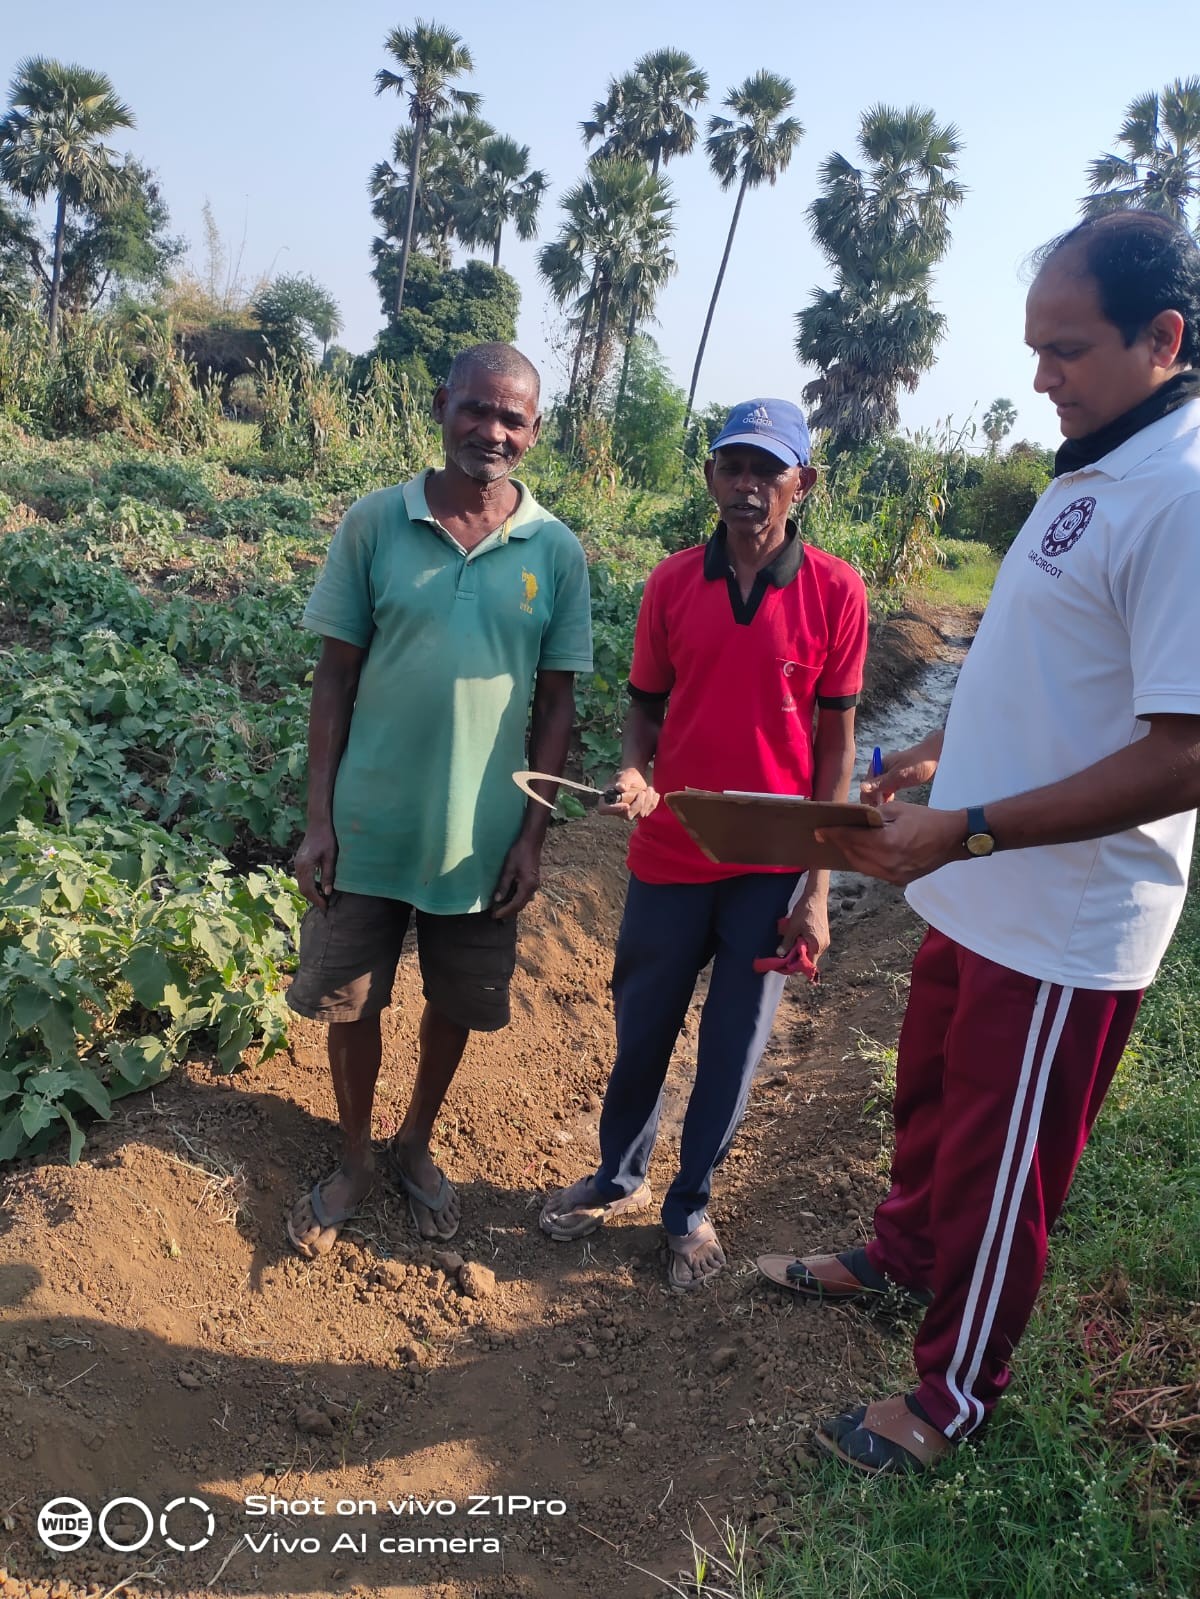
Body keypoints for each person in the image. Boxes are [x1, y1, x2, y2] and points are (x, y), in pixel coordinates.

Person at [757, 211, 1200, 1473]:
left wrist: (971, 827)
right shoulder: (1096, 468)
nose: (1041, 377)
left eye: (1066, 350)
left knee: (1004, 1167)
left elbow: (1185, 752)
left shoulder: (1183, 496)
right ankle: (902, 1256)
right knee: (934, 1111)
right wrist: (934, 760)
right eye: (1034, 348)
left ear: (1164, 340)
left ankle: (947, 1403)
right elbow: (1053, 675)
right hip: (979, 885)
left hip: (1061, 917)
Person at [540, 399, 869, 1290]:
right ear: (712, 475)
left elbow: (836, 749)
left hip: (770, 868)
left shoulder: (837, 592)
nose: (748, 485)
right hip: (672, 853)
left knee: (732, 1046)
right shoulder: (672, 582)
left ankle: (688, 1206)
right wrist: (633, 771)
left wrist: (816, 888)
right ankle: (618, 1176)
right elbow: (644, 709)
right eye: (733, 466)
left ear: (803, 484)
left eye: (768, 470)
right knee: (642, 1028)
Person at [285, 343, 593, 1258]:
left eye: (512, 419)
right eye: (476, 409)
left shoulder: (555, 550)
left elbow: (558, 704)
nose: (491, 431)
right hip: (368, 824)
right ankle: (355, 1155)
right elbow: (334, 677)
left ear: (535, 432)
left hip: (480, 838)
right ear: (441, 405)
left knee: (456, 999)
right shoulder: (376, 522)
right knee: (351, 1001)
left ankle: (414, 1140)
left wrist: (532, 837)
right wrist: (318, 820)